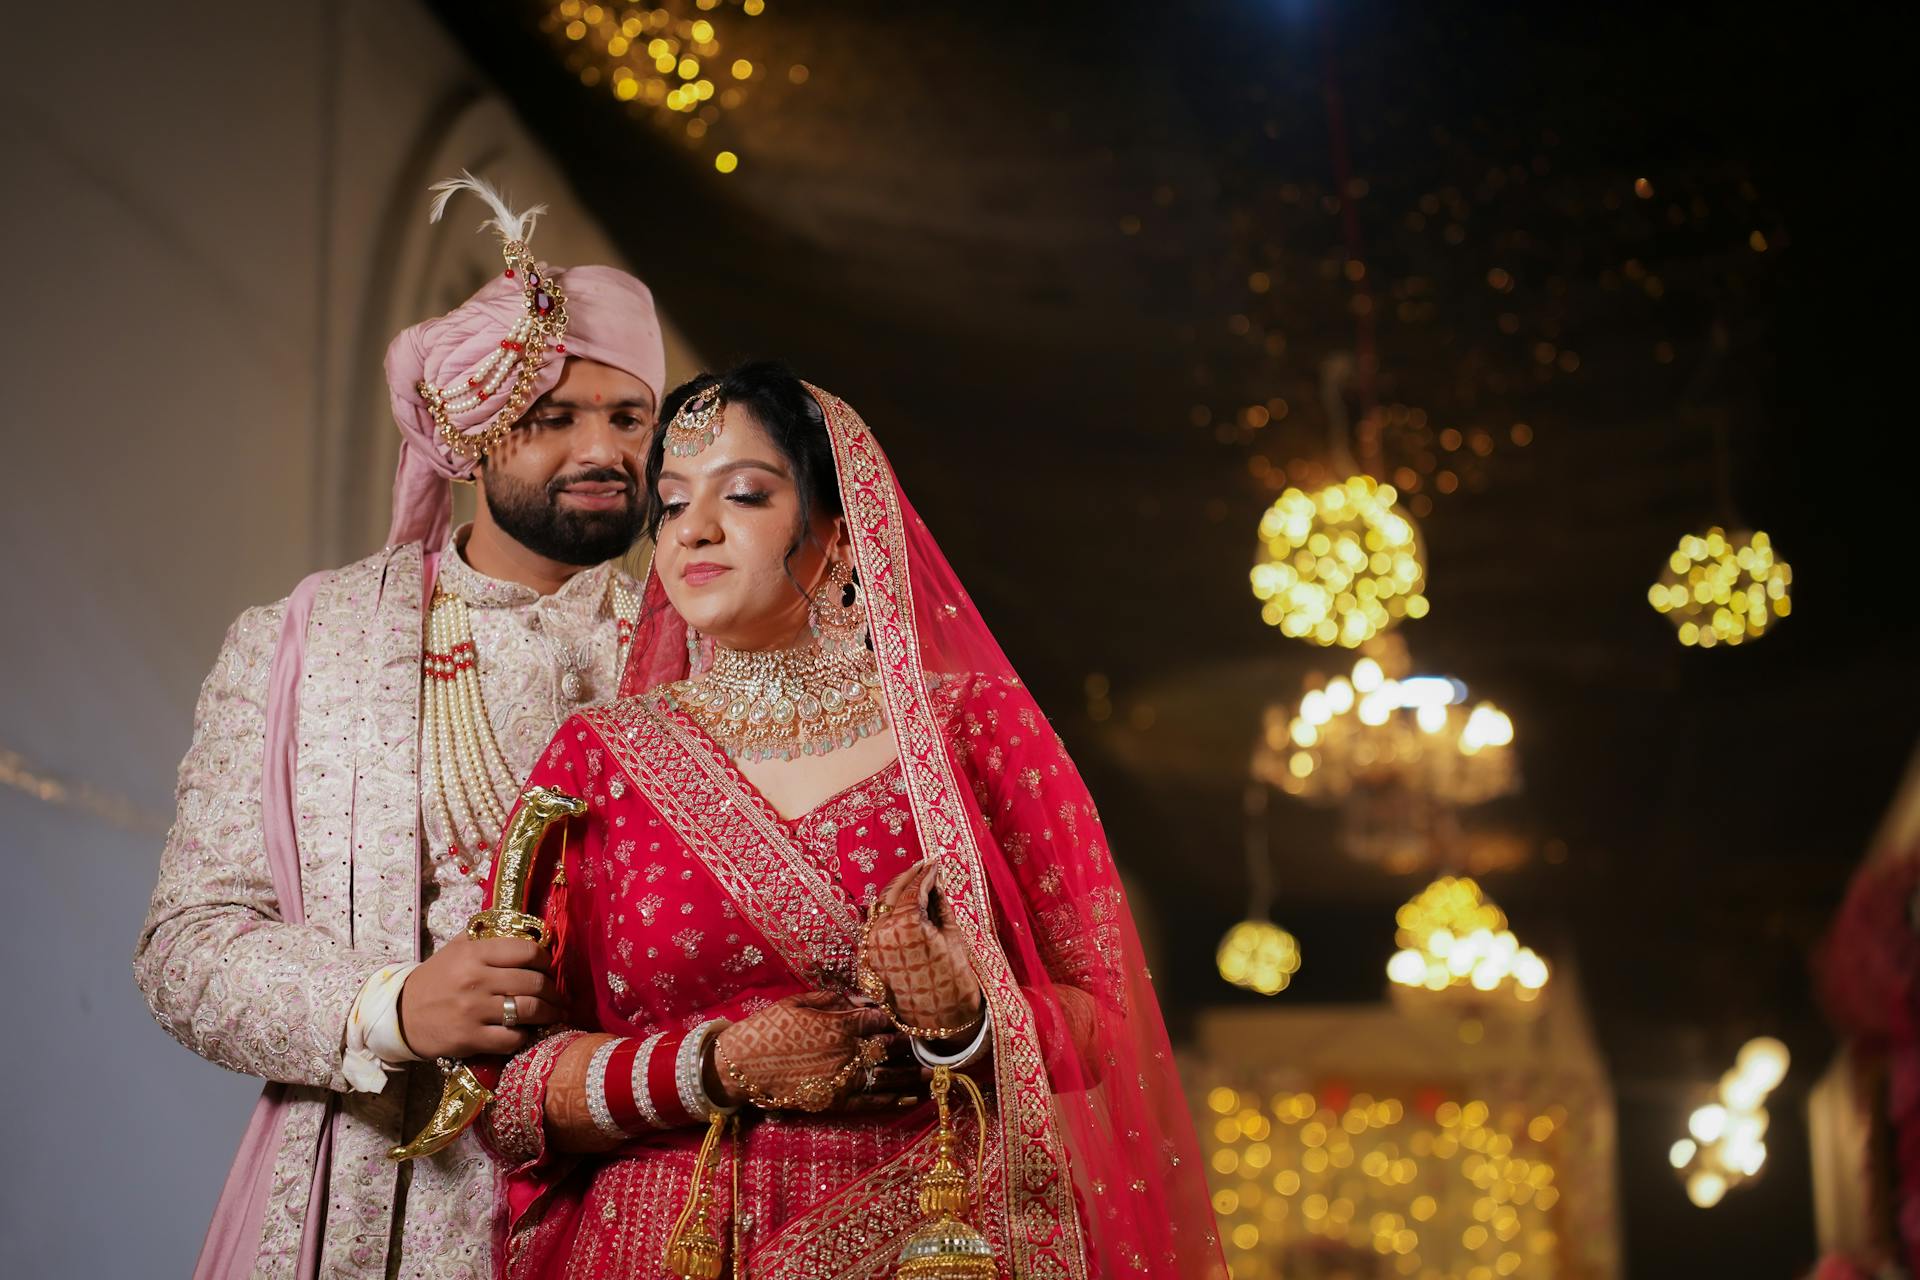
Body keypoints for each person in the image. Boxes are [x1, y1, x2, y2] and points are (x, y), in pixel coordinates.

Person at [475, 362, 1226, 1277]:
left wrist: (964, 1020)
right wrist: (712, 1065)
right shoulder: (598, 755)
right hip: (669, 1244)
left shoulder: (970, 731)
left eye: (744, 494)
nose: (693, 530)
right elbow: (508, 1093)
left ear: (839, 531)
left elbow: (1106, 1024)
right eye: (669, 504)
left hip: (930, 1237)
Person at [134, 174, 665, 1278]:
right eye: (554, 418)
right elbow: (187, 946)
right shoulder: (302, 641)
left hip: (644, 1187)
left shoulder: (705, 648)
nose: (601, 450)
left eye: (630, 418)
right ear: (470, 442)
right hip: (383, 1192)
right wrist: (391, 1001)